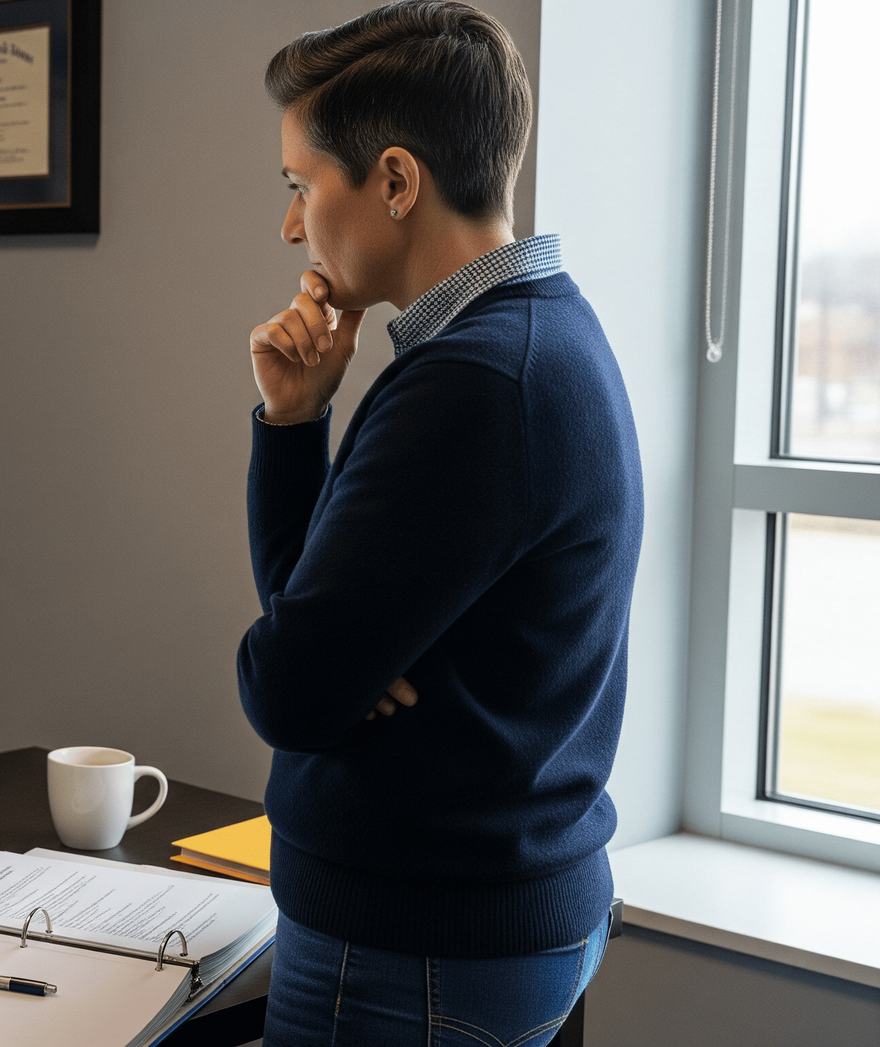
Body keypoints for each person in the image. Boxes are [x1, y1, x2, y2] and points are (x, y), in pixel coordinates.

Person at [236, 3, 643, 1044]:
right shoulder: (541, 330)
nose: (292, 227)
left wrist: (331, 662)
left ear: (395, 182)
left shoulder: (472, 384)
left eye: (300, 185)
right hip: (484, 921)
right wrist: (295, 422)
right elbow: (314, 637)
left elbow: (289, 685)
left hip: (413, 952)